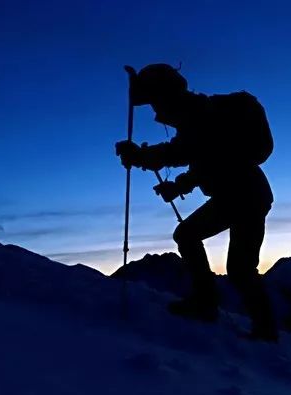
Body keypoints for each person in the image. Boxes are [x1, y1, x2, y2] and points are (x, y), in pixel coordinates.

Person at [115, 63, 277, 341]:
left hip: (243, 196)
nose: (156, 112)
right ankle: (241, 318)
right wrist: (177, 186)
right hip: (245, 195)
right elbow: (206, 160)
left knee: (232, 264)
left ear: (166, 96)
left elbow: (184, 151)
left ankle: (228, 313)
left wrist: (140, 157)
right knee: (224, 258)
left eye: (155, 103)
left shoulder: (198, 116)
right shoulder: (201, 114)